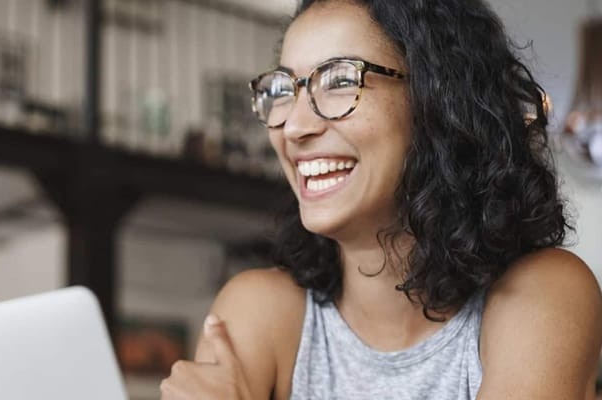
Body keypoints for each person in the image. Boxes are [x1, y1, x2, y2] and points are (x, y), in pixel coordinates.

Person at [159, 0, 602, 399]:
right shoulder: (259, 311)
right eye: (282, 89)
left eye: (339, 80)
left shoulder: (545, 293)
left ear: (438, 101)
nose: (293, 127)